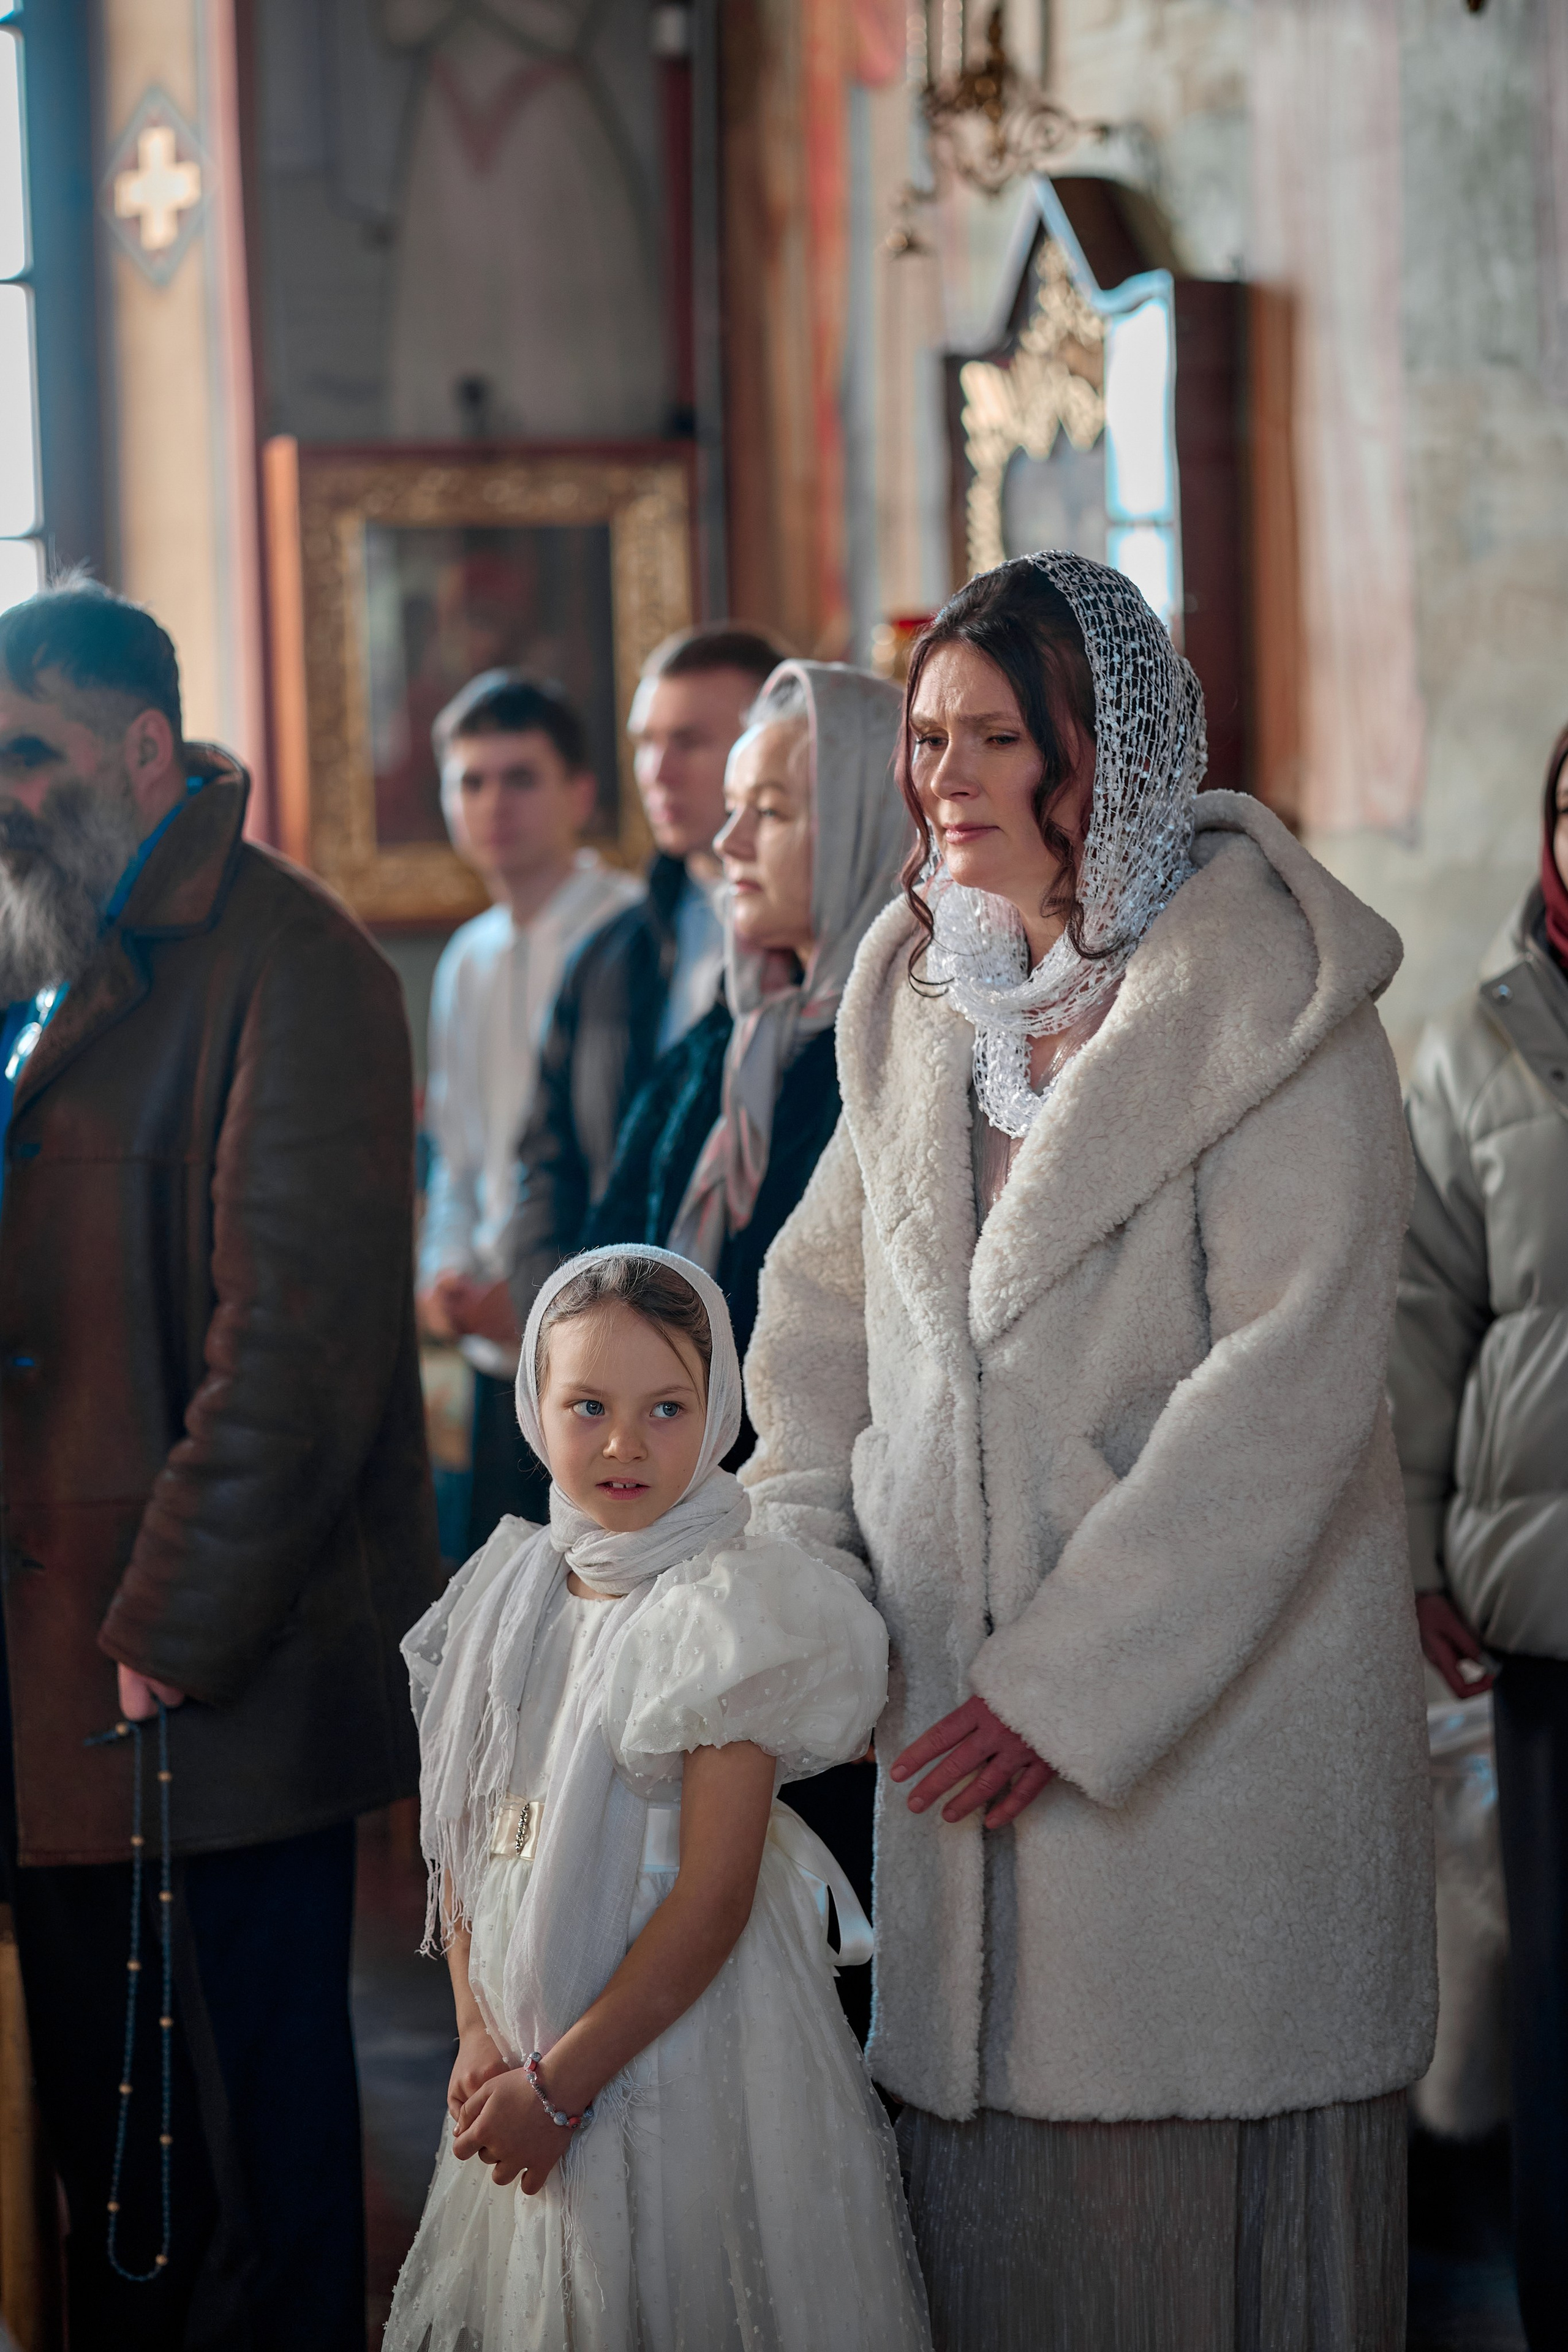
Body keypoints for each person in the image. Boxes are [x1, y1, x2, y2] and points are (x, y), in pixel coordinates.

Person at [742, 554, 1436, 2350]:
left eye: (994, 736)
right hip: (938, 1707)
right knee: (988, 2243)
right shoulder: (916, 994)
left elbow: (1286, 1388)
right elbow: (818, 1307)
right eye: (924, 736)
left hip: (1207, 1748)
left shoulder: (1266, 1000)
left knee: (1172, 2242)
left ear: (1101, 756)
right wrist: (803, 1565)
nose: (941, 777)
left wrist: (1062, 1684)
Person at [0, 580, 441, 2350]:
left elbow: (301, 1351)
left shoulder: (294, 960)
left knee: (236, 2188)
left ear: (141, 747)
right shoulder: (40, 957)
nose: (2, 794)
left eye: (27, 756)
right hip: (51, 1690)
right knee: (110, 2177)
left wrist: (172, 1619)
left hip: (195, 1689)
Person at [385, 1246, 931, 2352]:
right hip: (519, 2057)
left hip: (679, 2054)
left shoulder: (728, 1609)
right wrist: (478, 2029)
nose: (625, 1443)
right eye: (587, 1406)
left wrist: (563, 2090)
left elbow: (713, 1899)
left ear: (721, 1409)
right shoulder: (510, 1588)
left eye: (667, 1408)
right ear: (536, 1408)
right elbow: (467, 1824)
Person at [1389, 728, 1568, 2352]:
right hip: (1549, 1610)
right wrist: (1417, 1552)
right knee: (1562, 2011)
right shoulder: (1475, 1051)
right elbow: (1421, 1316)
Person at [585, 660, 906, 1370]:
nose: (730, 842)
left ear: (865, 825)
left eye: (768, 812)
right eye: (732, 808)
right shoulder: (731, 1031)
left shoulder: (901, 1049)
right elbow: (613, 1244)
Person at [417, 669, 643, 1548]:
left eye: (521, 777)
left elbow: (630, 1155)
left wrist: (541, 1289)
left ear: (580, 793)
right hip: (490, 1350)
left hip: (603, 1340)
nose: (493, 803)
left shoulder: (627, 933)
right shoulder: (465, 957)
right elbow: (457, 1156)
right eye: (470, 781)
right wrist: (442, 1278)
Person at [509, 625, 784, 1327]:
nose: (657, 773)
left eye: (688, 742)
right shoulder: (605, 955)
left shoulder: (821, 956)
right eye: (644, 743)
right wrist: (562, 1318)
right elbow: (548, 1157)